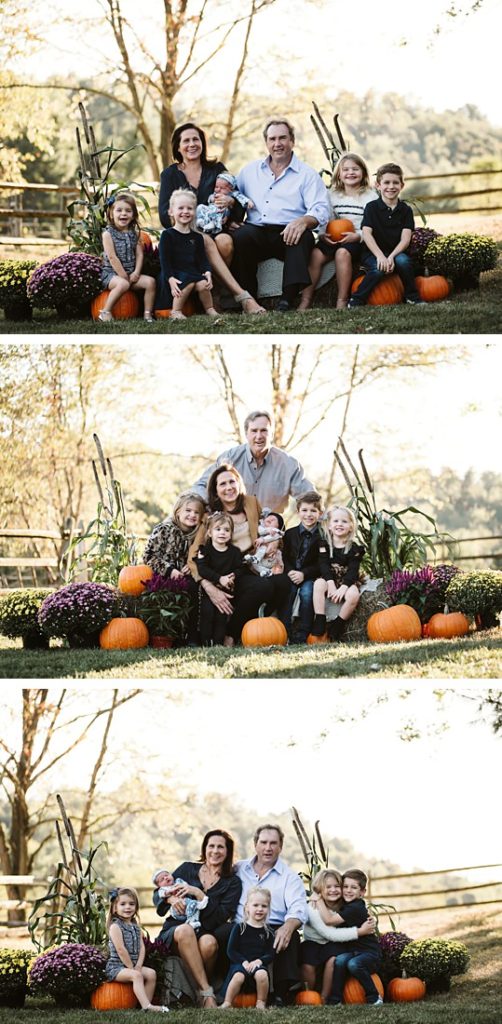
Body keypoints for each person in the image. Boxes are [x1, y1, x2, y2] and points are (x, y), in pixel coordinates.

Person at [158, 122, 265, 314]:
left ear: (202, 143)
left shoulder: (216, 169)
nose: (192, 144)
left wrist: (230, 203)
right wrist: (188, 224)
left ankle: (213, 295)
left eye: (196, 139)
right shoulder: (170, 174)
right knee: (203, 240)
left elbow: (239, 205)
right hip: (184, 235)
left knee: (225, 242)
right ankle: (242, 297)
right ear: (178, 147)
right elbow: (164, 213)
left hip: (216, 229)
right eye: (186, 141)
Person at [232, 118, 331, 311]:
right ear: (266, 143)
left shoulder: (307, 174)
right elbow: (233, 194)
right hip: (257, 230)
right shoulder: (249, 171)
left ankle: (287, 299)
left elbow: (321, 208)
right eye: (272, 139)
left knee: (301, 236)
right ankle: (249, 299)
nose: (277, 144)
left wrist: (303, 221)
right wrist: (231, 219)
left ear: (292, 141)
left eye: (282, 138)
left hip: (289, 232)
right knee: (241, 236)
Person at [189, 464, 289, 645]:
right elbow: (194, 555)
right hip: (224, 569)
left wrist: (274, 541)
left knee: (281, 582)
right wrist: (209, 587)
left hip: (249, 565)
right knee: (261, 587)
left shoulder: (251, 503)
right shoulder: (211, 515)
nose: (228, 488)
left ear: (238, 483)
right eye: (222, 484)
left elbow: (268, 529)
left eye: (231, 481)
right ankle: (231, 634)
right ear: (216, 490)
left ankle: (242, 629)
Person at [154, 830, 242, 1008]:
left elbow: (220, 916)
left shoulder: (232, 882)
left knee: (209, 943)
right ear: (205, 848)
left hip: (204, 930)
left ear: (227, 851)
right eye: (211, 846)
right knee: (185, 930)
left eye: (220, 847)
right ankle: (207, 992)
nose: (215, 851)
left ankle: (195, 992)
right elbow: (158, 891)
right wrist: (170, 898)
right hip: (176, 930)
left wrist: (199, 894)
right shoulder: (187, 868)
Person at [234, 824, 308, 1005]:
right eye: (264, 842)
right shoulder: (238, 869)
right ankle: (222, 989)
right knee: (219, 935)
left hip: (272, 926)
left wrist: (289, 925)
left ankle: (281, 994)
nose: (268, 848)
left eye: (273, 843)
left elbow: (298, 906)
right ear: (255, 844)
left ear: (281, 846)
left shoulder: (289, 877)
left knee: (288, 937)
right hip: (241, 926)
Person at [193, 410, 315, 514]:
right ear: (246, 433)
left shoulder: (288, 464)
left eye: (264, 430)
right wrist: (212, 508)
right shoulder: (229, 458)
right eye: (254, 431)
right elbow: (200, 487)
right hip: (233, 528)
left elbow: (310, 498)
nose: (259, 436)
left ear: (272, 434)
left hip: (270, 531)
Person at [299, 153, 378, 310]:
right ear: (339, 175)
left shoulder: (370, 197)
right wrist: (322, 234)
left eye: (355, 169)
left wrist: (358, 236)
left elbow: (374, 225)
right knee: (315, 254)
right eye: (346, 169)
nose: (350, 173)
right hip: (334, 236)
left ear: (363, 173)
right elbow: (325, 217)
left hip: (358, 239)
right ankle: (305, 299)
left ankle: (341, 300)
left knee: (342, 254)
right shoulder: (332, 194)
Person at [348, 162, 424, 308]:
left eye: (395, 182)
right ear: (378, 185)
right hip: (372, 252)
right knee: (377, 269)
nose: (391, 186)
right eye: (386, 182)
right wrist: (380, 257)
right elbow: (367, 234)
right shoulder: (371, 208)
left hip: (396, 252)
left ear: (402, 185)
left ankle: (412, 297)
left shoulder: (406, 210)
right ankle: (356, 300)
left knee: (404, 262)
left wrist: (390, 257)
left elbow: (405, 239)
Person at [301, 869, 375, 1002]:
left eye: (337, 886)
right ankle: (308, 994)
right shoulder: (313, 907)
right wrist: (360, 932)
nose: (333, 890)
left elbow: (358, 910)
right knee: (308, 963)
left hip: (332, 943)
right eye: (328, 887)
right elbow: (329, 933)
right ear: (320, 890)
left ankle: (324, 997)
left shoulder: (344, 902)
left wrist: (369, 918)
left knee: (334, 959)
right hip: (315, 941)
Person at [143, 491, 206, 646]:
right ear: (178, 512)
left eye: (196, 512)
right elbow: (149, 556)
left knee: (194, 587)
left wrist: (189, 565)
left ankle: (192, 636)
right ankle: (167, 635)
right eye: (188, 511)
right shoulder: (165, 529)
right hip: (162, 576)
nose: (192, 515)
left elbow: (195, 556)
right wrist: (170, 570)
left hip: (182, 576)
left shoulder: (195, 535)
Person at [106, 886, 169, 1012]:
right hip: (117, 967)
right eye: (123, 904)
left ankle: (143, 1006)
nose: (128, 907)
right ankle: (148, 1006)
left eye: (131, 904)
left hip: (134, 965)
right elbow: (120, 949)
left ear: (136, 907)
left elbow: (142, 947)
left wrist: (139, 965)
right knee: (136, 976)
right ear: (114, 908)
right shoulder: (115, 926)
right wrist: (131, 968)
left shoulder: (136, 927)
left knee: (151, 974)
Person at [326, 870, 383, 1007]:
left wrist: (317, 901)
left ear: (362, 892)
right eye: (345, 887)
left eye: (354, 887)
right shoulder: (348, 905)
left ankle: (374, 997)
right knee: (340, 961)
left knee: (354, 964)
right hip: (354, 951)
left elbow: (330, 921)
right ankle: (336, 999)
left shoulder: (355, 908)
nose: (348, 891)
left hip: (369, 954)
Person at [159, 189, 218, 319]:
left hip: (192, 272)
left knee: (203, 284)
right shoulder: (167, 235)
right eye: (181, 208)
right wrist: (170, 278)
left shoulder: (197, 237)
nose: (185, 211)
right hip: (174, 273)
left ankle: (209, 308)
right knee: (187, 281)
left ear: (194, 211)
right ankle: (175, 311)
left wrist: (207, 272)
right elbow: (164, 260)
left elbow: (202, 260)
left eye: (189, 208)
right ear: (171, 211)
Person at [98, 191, 156, 322]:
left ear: (134, 214)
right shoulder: (107, 234)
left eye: (128, 211)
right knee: (123, 284)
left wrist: (136, 272)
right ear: (111, 214)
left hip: (131, 274)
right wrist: (123, 276)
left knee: (150, 282)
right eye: (119, 210)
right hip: (112, 275)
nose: (123, 213)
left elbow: (140, 254)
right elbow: (112, 258)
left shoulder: (134, 234)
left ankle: (147, 314)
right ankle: (105, 312)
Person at [310, 506, 365, 642]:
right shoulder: (324, 545)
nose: (339, 524)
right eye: (335, 521)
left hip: (347, 579)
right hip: (329, 577)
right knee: (318, 584)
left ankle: (338, 624)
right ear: (329, 525)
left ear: (351, 527)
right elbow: (323, 566)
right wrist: (331, 584)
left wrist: (344, 587)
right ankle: (320, 618)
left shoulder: (354, 548)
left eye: (344, 521)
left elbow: (353, 571)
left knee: (353, 595)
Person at [220, 887, 275, 1009]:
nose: (260, 909)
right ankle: (227, 1002)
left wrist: (259, 961)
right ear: (247, 908)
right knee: (238, 976)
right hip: (240, 963)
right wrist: (243, 962)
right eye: (255, 905)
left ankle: (261, 1002)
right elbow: (231, 950)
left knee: (262, 974)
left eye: (264, 906)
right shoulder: (240, 928)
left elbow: (270, 953)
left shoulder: (268, 932)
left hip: (258, 964)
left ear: (268, 909)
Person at [279, 491, 323, 643]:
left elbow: (321, 563)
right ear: (298, 512)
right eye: (304, 510)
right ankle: (284, 630)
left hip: (309, 576)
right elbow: (284, 556)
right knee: (287, 592)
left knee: (306, 592)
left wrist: (304, 574)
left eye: (313, 511)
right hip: (291, 574)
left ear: (320, 513)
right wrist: (290, 571)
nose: (308, 514)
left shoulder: (323, 536)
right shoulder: (290, 534)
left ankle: (303, 632)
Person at [196, 511, 244, 646]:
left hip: (227, 589)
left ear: (231, 534)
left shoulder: (234, 552)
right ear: (210, 533)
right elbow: (202, 569)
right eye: (218, 529)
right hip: (209, 590)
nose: (222, 533)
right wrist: (219, 578)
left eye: (226, 530)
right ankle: (206, 642)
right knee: (208, 614)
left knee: (221, 616)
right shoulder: (205, 550)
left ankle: (218, 643)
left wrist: (233, 576)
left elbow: (240, 568)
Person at [244, 509, 284, 577]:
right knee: (254, 564)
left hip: (272, 558)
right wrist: (268, 530)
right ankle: (266, 572)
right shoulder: (260, 528)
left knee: (263, 547)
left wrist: (263, 539)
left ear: (278, 526)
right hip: (261, 560)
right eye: (268, 517)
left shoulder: (276, 532)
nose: (270, 519)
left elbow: (273, 537)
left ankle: (257, 558)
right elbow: (260, 531)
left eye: (274, 520)